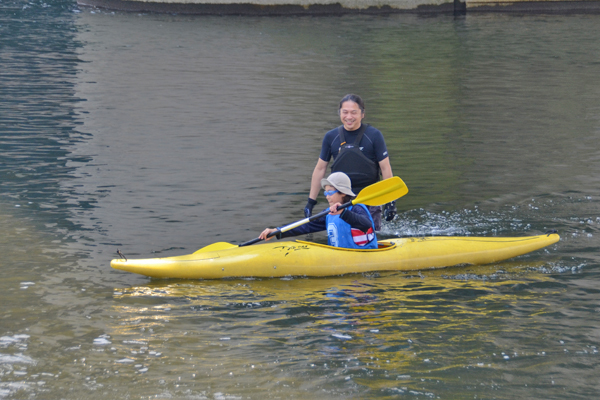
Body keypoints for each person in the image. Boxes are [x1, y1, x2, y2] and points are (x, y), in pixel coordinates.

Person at [304, 94, 396, 230]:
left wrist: (390, 201)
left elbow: (385, 168)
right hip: (340, 198)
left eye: (354, 112)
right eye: (345, 112)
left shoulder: (374, 135)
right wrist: (310, 202)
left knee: (368, 232)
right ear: (339, 113)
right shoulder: (330, 137)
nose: (349, 117)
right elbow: (320, 169)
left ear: (362, 114)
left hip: (369, 197)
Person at [260, 172, 377, 249]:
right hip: (339, 257)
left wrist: (344, 213)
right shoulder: (329, 213)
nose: (327, 196)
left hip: (363, 256)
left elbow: (367, 224)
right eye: (325, 193)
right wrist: (278, 231)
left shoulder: (357, 208)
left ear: (343, 193)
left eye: (330, 192)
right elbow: (306, 226)